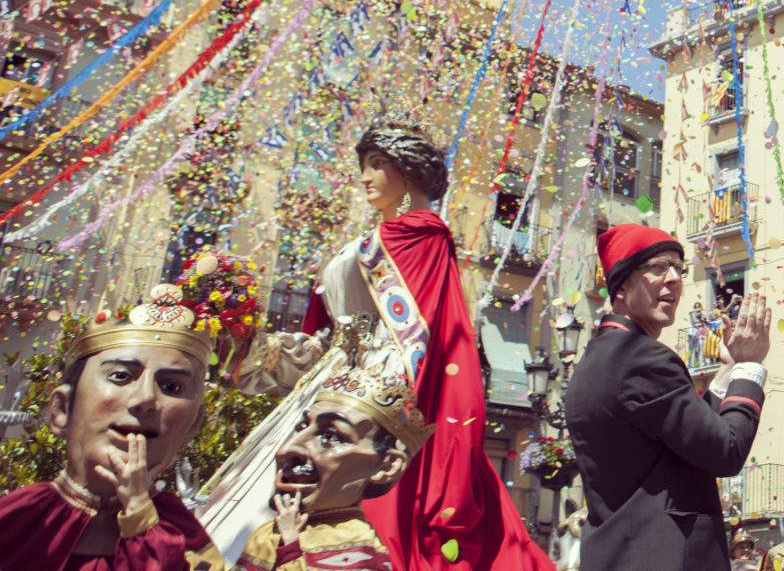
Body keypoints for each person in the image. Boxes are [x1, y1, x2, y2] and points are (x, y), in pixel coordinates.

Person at [197, 122, 553, 571]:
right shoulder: (364, 246)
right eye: (363, 165)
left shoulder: (422, 238)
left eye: (377, 164)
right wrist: (250, 341)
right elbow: (327, 345)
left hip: (371, 414)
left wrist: (368, 416)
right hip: (325, 399)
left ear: (408, 172)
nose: (365, 176)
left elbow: (415, 348)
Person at [565, 224, 772, 571]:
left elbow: (687, 439)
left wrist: (727, 371)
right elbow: (725, 451)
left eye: (679, 268)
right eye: (658, 267)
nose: (675, 279)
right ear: (622, 284)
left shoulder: (598, 358)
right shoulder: (642, 358)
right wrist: (750, 367)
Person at [0, 283, 224, 570]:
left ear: (192, 427)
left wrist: (140, 515)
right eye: (120, 376)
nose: (145, 398)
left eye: (171, 386)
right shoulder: (20, 518)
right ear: (61, 410)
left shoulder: (183, 539)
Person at [234, 353, 430, 571]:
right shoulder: (269, 532)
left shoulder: (359, 548)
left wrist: (290, 546)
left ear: (387, 466)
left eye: (330, 437)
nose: (286, 450)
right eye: (301, 428)